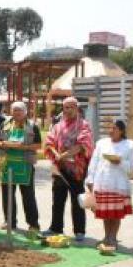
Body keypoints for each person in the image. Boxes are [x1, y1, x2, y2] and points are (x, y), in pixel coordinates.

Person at [44, 97, 93, 241]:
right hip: (59, 167)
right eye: (66, 107)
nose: (68, 110)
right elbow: (49, 142)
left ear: (77, 108)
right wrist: (56, 154)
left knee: (77, 200)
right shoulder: (58, 126)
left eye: (71, 107)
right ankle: (55, 228)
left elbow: (83, 145)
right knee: (57, 199)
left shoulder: (84, 125)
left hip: (76, 169)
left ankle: (79, 231)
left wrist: (64, 155)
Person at [85, 120, 133, 248]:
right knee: (106, 213)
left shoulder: (130, 145)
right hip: (102, 182)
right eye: (110, 128)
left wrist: (119, 162)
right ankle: (106, 237)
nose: (111, 131)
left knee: (115, 214)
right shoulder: (101, 143)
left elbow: (131, 168)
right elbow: (94, 162)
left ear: (122, 131)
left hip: (118, 185)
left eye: (114, 128)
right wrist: (90, 180)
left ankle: (113, 237)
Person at [0, 101, 42, 233]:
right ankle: (9, 221)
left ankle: (33, 224)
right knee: (7, 195)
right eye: (14, 110)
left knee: (28, 196)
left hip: (25, 165)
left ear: (25, 112)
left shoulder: (32, 126)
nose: (17, 113)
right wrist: (3, 144)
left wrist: (24, 147)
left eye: (19, 110)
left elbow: (38, 145)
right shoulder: (5, 124)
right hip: (6, 164)